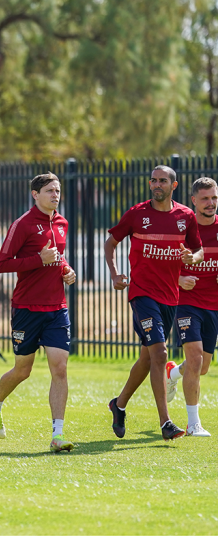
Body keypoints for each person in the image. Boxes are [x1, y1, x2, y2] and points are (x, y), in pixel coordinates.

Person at [0, 172, 78, 452]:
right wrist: (38, 259)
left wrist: (67, 270)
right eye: (49, 190)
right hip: (26, 308)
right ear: (35, 194)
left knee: (60, 368)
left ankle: (57, 435)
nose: (55, 195)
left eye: (57, 190)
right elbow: (2, 264)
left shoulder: (62, 223)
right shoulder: (22, 224)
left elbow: (58, 257)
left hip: (57, 308)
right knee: (23, 370)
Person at [105, 165, 203, 440]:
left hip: (170, 296)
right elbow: (110, 243)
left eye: (162, 181)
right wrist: (115, 274)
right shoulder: (136, 214)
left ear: (174, 185)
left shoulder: (186, 216)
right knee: (160, 354)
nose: (156, 184)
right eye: (153, 180)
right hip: (142, 294)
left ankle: (118, 405)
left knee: (147, 358)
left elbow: (198, 250)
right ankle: (166, 423)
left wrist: (192, 259)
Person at [164, 177, 218, 437]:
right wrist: (178, 279)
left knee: (202, 367)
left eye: (214, 198)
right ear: (194, 201)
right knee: (195, 358)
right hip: (186, 302)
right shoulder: (182, 228)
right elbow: (159, 263)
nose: (211, 203)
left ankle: (173, 373)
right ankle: (193, 423)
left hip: (213, 304)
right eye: (205, 198)